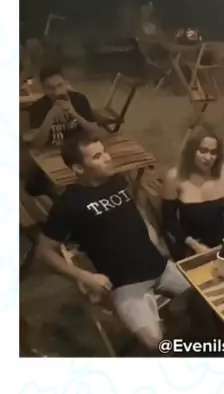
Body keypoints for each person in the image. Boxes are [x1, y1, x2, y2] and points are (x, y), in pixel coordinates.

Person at [36, 130, 191, 351]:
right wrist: (86, 277)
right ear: (78, 168)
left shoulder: (117, 180)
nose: (108, 158)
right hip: (126, 284)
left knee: (209, 304)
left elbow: (134, 207)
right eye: (97, 156)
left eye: (105, 152)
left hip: (160, 266)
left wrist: (149, 229)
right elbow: (45, 252)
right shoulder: (68, 205)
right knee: (157, 343)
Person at [163, 124, 224, 260]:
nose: (208, 157)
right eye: (203, 151)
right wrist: (195, 246)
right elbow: (169, 221)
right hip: (191, 245)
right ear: (191, 151)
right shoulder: (175, 178)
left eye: (213, 152)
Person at [29, 66, 99, 150]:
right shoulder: (38, 107)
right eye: (50, 88)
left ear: (66, 84)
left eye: (60, 85)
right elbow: (36, 144)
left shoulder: (79, 99)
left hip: (80, 149)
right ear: (43, 88)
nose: (57, 91)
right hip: (52, 151)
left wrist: (74, 114)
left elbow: (94, 133)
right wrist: (50, 117)